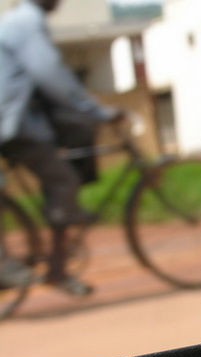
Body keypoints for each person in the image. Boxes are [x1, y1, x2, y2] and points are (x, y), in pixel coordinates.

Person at [0, 0, 123, 295]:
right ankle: (48, 268)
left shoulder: (16, 22)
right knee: (62, 180)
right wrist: (97, 111)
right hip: (10, 124)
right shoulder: (25, 24)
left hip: (15, 121)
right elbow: (51, 75)